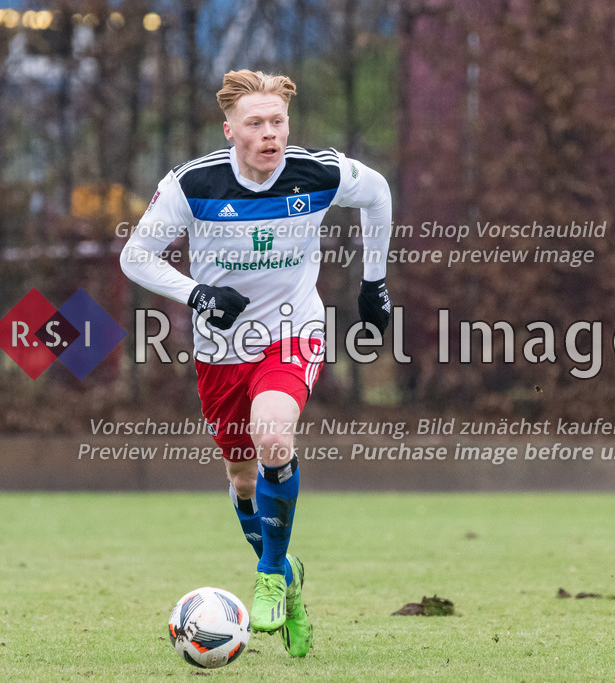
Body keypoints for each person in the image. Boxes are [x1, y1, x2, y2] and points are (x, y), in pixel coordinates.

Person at [120, 69, 393, 658]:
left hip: (293, 331)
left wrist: (375, 282)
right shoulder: (194, 185)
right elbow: (135, 257)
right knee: (243, 478)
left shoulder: (317, 172)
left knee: (274, 436)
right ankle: (288, 581)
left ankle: (269, 574)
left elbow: (377, 194)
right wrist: (196, 293)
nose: (271, 134)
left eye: (279, 122)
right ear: (230, 132)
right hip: (222, 349)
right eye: (256, 124)